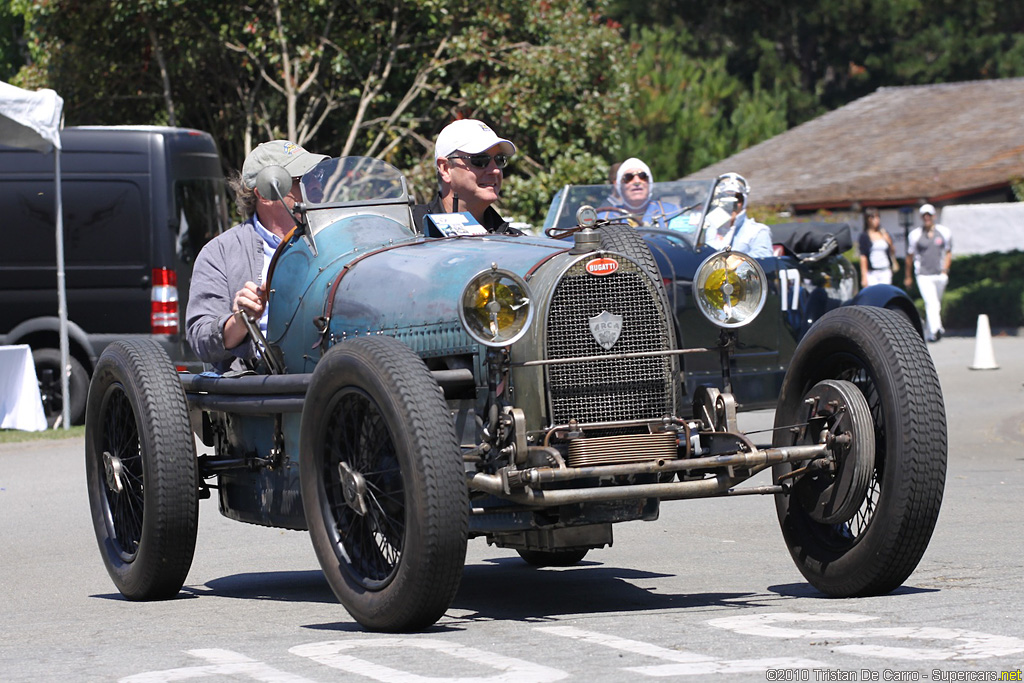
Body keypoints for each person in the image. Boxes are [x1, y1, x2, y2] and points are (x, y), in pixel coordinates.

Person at [187, 139, 328, 374]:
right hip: (267, 389)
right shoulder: (219, 253)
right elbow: (200, 338)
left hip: (340, 375)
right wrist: (241, 320)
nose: (315, 186)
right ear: (265, 194)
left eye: (316, 177)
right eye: (300, 180)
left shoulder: (338, 239)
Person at [412, 118, 522, 235]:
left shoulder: (516, 242)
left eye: (500, 160)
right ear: (445, 168)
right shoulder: (407, 228)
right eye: (480, 160)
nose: (495, 170)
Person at [905, 203, 953, 342]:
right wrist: (908, 276)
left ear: (934, 216)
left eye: (929, 215)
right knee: (931, 302)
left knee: (935, 303)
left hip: (940, 274)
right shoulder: (915, 235)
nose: (927, 218)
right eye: (924, 215)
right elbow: (910, 257)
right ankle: (936, 330)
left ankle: (930, 330)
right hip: (923, 275)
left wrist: (945, 270)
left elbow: (948, 252)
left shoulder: (944, 232)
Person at [703, 172, 773, 258]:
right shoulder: (704, 228)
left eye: (737, 199)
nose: (731, 205)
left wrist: (732, 262)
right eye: (724, 198)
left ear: (744, 202)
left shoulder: (757, 231)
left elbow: (764, 261)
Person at [596, 157, 679, 227]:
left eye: (642, 176)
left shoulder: (671, 212)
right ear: (619, 186)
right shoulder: (603, 218)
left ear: (650, 183)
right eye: (628, 177)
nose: (637, 181)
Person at [858, 207, 896, 286]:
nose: (876, 220)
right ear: (868, 219)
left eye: (878, 217)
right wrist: (864, 276)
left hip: (885, 270)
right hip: (872, 272)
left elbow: (892, 251)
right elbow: (863, 257)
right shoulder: (864, 236)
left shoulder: (884, 233)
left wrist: (889, 242)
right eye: (873, 217)